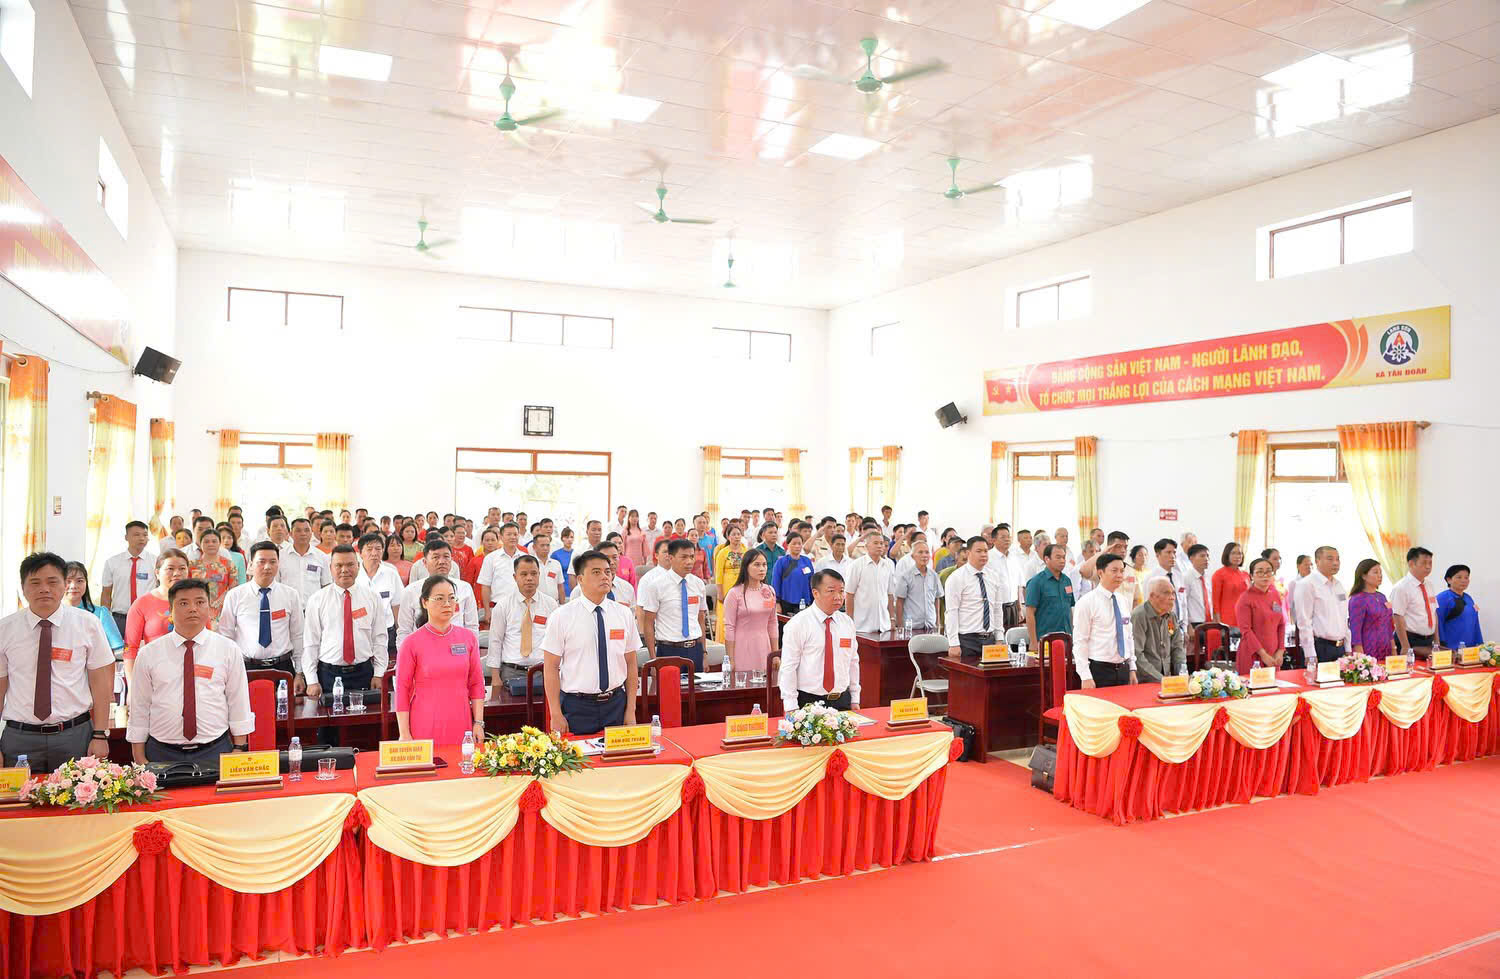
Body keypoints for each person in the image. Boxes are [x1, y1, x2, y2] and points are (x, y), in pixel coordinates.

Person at [0, 553, 115, 768]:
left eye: (52, 582)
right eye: (35, 583)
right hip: (20, 738)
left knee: (79, 790)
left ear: (64, 585)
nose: (44, 589)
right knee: (18, 792)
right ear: (23, 588)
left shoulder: (87, 624)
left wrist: (100, 734)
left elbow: (100, 683)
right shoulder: (5, 629)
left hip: (74, 735)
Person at [127, 578, 254, 763]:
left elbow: (238, 700)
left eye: (200, 602)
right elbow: (139, 706)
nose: (193, 608)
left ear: (209, 609)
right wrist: (139, 756)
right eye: (183, 603)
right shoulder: (149, 653)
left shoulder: (228, 649)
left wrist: (239, 747)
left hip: (215, 749)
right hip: (161, 751)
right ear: (171, 611)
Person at [541, 550, 640, 736]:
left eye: (607, 571)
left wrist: (631, 709)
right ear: (580, 579)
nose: (604, 576)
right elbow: (551, 667)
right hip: (577, 706)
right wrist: (555, 713)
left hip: (616, 703)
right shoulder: (562, 616)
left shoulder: (624, 614)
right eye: (596, 572)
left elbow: (631, 663)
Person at [303, 545, 391, 744]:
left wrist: (379, 673)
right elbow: (310, 643)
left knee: (364, 731)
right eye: (339, 565)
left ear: (358, 566)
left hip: (363, 674)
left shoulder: (372, 597)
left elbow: (380, 638)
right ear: (331, 568)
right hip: (328, 675)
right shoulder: (317, 599)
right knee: (329, 733)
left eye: (350, 564)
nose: (345, 570)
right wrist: (311, 679)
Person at [395, 576, 485, 745]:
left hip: (461, 720)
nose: (447, 604)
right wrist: (404, 733)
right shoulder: (411, 643)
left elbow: (476, 684)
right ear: (424, 602)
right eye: (439, 598)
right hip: (424, 722)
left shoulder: (468, 638)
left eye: (451, 598)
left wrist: (478, 722)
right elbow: (402, 689)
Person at [216, 541, 305, 682]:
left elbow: (298, 635)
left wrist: (299, 672)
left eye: (272, 562)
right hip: (247, 667)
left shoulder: (290, 595)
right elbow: (226, 635)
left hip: (283, 667)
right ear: (251, 565)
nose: (267, 567)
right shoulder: (235, 595)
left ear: (278, 564)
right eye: (261, 562)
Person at [778, 570, 861, 711]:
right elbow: (788, 667)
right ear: (815, 593)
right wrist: (790, 706)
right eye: (831, 591)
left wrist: (855, 698)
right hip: (808, 702)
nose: (838, 597)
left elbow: (853, 662)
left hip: (842, 700)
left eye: (841, 591)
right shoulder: (798, 623)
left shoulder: (847, 623)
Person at [487, 554, 558, 687]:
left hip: (542, 671)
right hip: (511, 672)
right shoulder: (503, 606)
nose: (529, 578)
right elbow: (495, 642)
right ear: (515, 577)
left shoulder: (551, 604)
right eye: (524, 574)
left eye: (534, 574)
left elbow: (556, 641)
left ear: (539, 575)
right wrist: (495, 677)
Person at [638, 539, 708, 671]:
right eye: (684, 557)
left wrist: (704, 653)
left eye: (692, 557)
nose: (689, 561)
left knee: (696, 685)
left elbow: (701, 619)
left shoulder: (698, 584)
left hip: (695, 649)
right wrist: (653, 659)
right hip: (668, 649)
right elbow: (648, 623)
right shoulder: (656, 585)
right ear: (671, 558)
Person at [396, 539, 480, 648]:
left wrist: (472, 653)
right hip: (423, 649)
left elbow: (472, 627)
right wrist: (404, 655)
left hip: (456, 649)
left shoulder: (464, 588)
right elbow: (404, 630)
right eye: (435, 557)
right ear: (425, 562)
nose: (441, 562)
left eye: (446, 557)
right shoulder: (411, 591)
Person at [124, 548, 191, 685]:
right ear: (157, 573)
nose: (177, 573)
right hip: (155, 676)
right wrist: (132, 686)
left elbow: (208, 640)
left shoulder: (197, 602)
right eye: (170, 569)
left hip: (192, 674)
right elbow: (130, 648)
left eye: (182, 568)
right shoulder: (142, 604)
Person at [1071, 553, 1137, 688]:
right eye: (1114, 571)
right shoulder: (1086, 602)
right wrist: (1085, 676)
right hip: (1099, 670)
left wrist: (1132, 668)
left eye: (1122, 571)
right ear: (1100, 573)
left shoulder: (1123, 601)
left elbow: (1128, 637)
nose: (1119, 575)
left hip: (1123, 669)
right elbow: (1080, 641)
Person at [723, 549, 778, 675]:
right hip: (742, 647)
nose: (762, 569)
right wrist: (731, 659)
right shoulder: (734, 593)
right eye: (757, 565)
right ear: (746, 567)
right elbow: (729, 627)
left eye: (764, 565)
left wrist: (775, 654)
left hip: (764, 647)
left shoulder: (770, 591)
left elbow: (773, 623)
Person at [98, 520, 156, 636]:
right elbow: (106, 593)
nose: (141, 538)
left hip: (148, 618)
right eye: (136, 535)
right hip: (120, 619)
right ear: (126, 537)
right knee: (119, 648)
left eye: (145, 535)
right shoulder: (112, 562)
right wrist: (105, 620)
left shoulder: (156, 561)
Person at [1294, 546, 1350, 664]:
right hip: (1320, 647)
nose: (1335, 563)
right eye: (1330, 559)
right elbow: (1304, 621)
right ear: (1317, 561)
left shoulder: (1338, 585)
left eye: (1337, 559)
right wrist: (1310, 653)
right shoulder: (1307, 584)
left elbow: (1343, 618)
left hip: (1340, 647)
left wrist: (1348, 647)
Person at [945, 537, 999, 658]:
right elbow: (952, 612)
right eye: (979, 551)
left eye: (986, 551)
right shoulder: (956, 578)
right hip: (967, 641)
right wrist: (953, 643)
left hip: (990, 639)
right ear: (968, 553)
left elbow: (997, 609)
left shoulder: (993, 576)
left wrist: (999, 638)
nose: (983, 554)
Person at [1235, 557, 1287, 673]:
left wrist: (1280, 651)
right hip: (1253, 654)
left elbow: (1281, 624)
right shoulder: (1245, 599)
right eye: (1259, 572)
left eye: (1268, 571)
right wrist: (1263, 654)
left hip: (1274, 655)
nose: (1265, 575)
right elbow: (1246, 630)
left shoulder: (1275, 595)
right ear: (1251, 576)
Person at [1131, 578, 1186, 683]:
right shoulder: (1139, 616)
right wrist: (1161, 679)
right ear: (1152, 596)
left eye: (1173, 593)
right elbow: (1136, 654)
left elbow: (1178, 647)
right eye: (1166, 593)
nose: (1172, 598)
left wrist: (1182, 673)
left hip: (1166, 679)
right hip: (1144, 681)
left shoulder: (1171, 616)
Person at [63, 561, 125, 653]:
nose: (73, 586)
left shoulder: (100, 613)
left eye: (79, 581)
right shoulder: (52, 613)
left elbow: (112, 649)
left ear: (86, 583)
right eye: (68, 581)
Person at [1390, 546, 1439, 658]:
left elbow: (1434, 613)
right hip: (1410, 640)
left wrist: (1437, 641)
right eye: (1424, 563)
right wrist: (1405, 646)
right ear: (1411, 564)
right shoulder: (1401, 587)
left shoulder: (1429, 585)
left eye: (1430, 563)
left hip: (1429, 640)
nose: (1428, 566)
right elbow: (1397, 617)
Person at [1024, 544, 1075, 649]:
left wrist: (1072, 637)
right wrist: (1033, 642)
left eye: (1063, 557)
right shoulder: (1036, 582)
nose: (1062, 561)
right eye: (1058, 557)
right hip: (1045, 641)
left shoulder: (1067, 581)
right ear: (1047, 559)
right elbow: (1029, 614)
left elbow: (1069, 609)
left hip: (1066, 640)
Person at [846, 530, 894, 633]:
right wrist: (850, 621)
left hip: (884, 626)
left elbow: (890, 595)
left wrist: (892, 618)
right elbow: (849, 594)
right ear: (866, 546)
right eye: (875, 543)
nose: (879, 546)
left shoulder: (888, 565)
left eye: (881, 543)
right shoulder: (856, 565)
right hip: (862, 626)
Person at [1348, 559, 1395, 659]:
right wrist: (1360, 656)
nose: (1380, 575)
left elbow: (1388, 625)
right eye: (1375, 572)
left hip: (1386, 648)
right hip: (1368, 650)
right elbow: (1355, 630)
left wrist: (1393, 648)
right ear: (1364, 576)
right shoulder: (1357, 599)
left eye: (1381, 572)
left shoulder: (1382, 597)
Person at [189, 527, 240, 618]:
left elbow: (234, 590)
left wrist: (222, 600)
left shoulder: (229, 565)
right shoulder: (191, 565)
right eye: (206, 541)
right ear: (200, 544)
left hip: (223, 611)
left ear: (219, 543)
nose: (210, 544)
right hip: (196, 610)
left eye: (214, 541)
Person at [893, 539, 941, 631]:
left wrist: (938, 623)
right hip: (912, 627)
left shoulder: (934, 575)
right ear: (913, 556)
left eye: (927, 552)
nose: (924, 555)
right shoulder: (906, 576)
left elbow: (936, 599)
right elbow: (900, 601)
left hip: (930, 626)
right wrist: (900, 626)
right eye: (920, 552)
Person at [280, 518, 332, 603]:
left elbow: (326, 585)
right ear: (290, 534)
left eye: (307, 530)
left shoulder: (322, 557)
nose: (303, 533)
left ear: (311, 533)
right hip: (287, 605)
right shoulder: (280, 556)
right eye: (298, 530)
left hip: (314, 606)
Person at [478, 522, 526, 610]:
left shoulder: (525, 557)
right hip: (498, 605)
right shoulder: (491, 558)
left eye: (515, 534)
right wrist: (487, 610)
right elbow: (485, 586)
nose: (513, 537)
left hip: (522, 605)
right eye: (509, 534)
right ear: (501, 537)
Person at [713, 523, 749, 639]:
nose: (737, 536)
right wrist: (720, 592)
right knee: (726, 617)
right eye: (734, 534)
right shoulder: (723, 552)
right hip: (727, 587)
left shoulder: (746, 551)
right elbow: (718, 574)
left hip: (743, 586)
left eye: (738, 534)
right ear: (728, 537)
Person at [1436, 565, 1483, 650]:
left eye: (1466, 577)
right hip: (1451, 649)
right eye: (1459, 577)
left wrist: (1480, 643)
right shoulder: (1442, 598)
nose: (1463, 580)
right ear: (1449, 580)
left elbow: (1475, 622)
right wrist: (1441, 646)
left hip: (1470, 649)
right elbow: (1438, 623)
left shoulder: (1469, 598)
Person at [771, 532, 815, 616]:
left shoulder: (806, 561)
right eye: (794, 543)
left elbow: (812, 581)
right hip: (787, 602)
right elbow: (776, 583)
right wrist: (777, 602)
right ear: (788, 545)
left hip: (805, 602)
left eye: (799, 543)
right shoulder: (782, 562)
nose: (797, 546)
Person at [1142, 538, 1186, 623]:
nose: (1172, 556)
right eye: (1168, 552)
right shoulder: (1151, 577)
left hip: (1179, 624)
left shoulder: (1179, 576)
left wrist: (1185, 625)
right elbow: (1148, 606)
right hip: (1161, 624)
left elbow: (1183, 603)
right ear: (1158, 555)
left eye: (1174, 552)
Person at [1212, 542, 1250, 635]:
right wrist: (1219, 624)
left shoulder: (1245, 575)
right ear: (1227, 555)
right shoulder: (1219, 574)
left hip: (1245, 621)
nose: (1237, 556)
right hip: (1227, 622)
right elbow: (1215, 602)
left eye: (1240, 553)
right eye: (1233, 553)